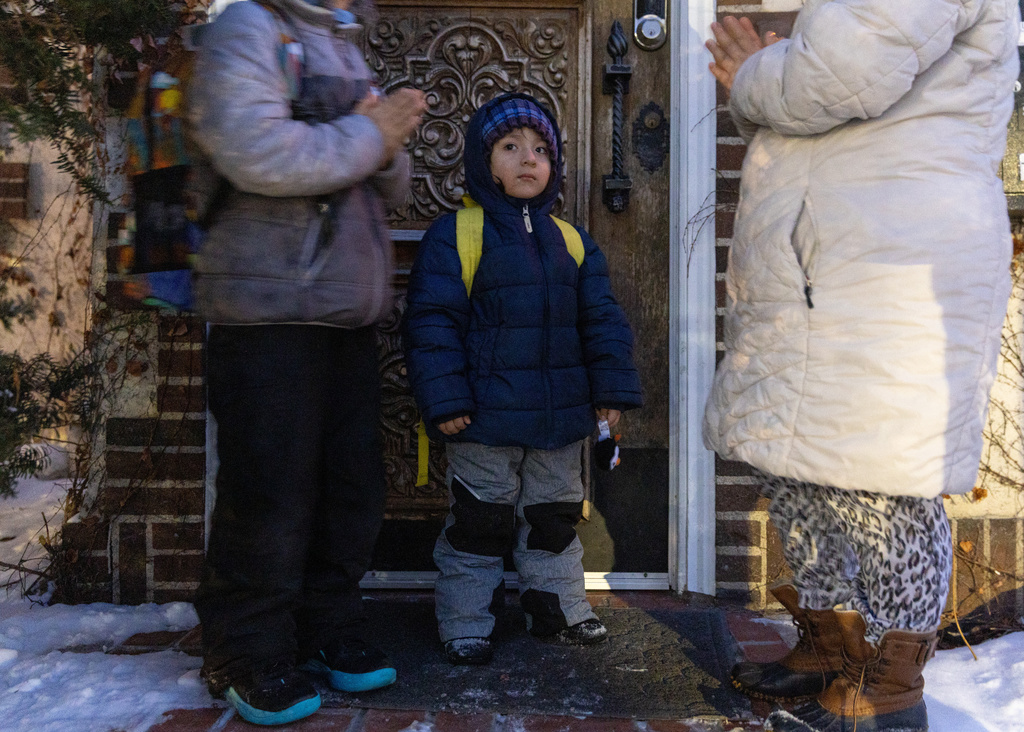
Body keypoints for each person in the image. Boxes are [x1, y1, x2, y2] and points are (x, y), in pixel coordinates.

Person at [703, 3, 1019, 731]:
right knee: (798, 465)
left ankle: (890, 682)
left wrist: (755, 73)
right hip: (836, 255)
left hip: (888, 259)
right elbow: (826, 105)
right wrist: (768, 82)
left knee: (883, 484)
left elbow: (839, 75)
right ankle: (830, 641)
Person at [187, 0, 426, 725]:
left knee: (347, 490)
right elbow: (253, 149)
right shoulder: (248, 29)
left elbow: (394, 183)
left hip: (343, 313)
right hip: (268, 313)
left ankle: (326, 631)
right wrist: (370, 132)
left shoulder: (342, 43)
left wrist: (387, 144)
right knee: (270, 494)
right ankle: (246, 652)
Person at [402, 93, 643, 665]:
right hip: (483, 419)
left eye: (539, 149)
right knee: (480, 522)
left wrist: (610, 392)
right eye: (510, 148)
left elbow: (602, 321)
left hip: (559, 421)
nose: (527, 159)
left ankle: (555, 609)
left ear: (553, 164)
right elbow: (432, 323)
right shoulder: (459, 234)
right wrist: (446, 398)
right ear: (485, 163)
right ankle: (466, 622)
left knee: (553, 520)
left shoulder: (573, 240)